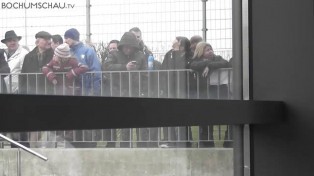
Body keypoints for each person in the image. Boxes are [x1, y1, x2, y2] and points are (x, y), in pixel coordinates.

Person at [103, 31, 147, 147]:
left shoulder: (140, 55)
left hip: (136, 92)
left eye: (130, 47)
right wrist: (124, 67)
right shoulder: (114, 55)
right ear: (122, 46)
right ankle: (122, 146)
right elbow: (107, 67)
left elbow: (145, 74)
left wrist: (144, 90)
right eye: (126, 47)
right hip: (118, 92)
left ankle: (142, 145)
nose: (128, 49)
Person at [190, 42, 229, 148]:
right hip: (204, 94)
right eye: (207, 50)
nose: (210, 51)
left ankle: (228, 142)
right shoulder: (196, 61)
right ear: (201, 51)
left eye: (211, 49)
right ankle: (206, 144)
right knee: (206, 121)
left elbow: (225, 63)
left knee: (227, 118)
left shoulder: (218, 58)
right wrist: (207, 64)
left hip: (219, 93)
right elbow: (194, 65)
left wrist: (209, 65)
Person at [161, 36, 194, 148]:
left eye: (176, 41)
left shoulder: (188, 55)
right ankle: (171, 141)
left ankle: (185, 141)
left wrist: (177, 54)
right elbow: (163, 70)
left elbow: (183, 66)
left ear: (182, 45)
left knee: (183, 116)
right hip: (170, 89)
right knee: (171, 116)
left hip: (183, 90)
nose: (173, 42)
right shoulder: (169, 54)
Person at [64, 28, 101, 96]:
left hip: (86, 90)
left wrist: (94, 91)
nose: (65, 41)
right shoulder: (66, 52)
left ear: (73, 38)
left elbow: (96, 71)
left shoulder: (88, 51)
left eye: (67, 38)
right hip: (70, 91)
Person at [20, 31, 54, 95]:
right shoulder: (28, 57)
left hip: (50, 93)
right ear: (37, 42)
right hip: (32, 93)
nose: (49, 42)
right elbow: (23, 76)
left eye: (49, 39)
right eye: (45, 40)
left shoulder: (54, 55)